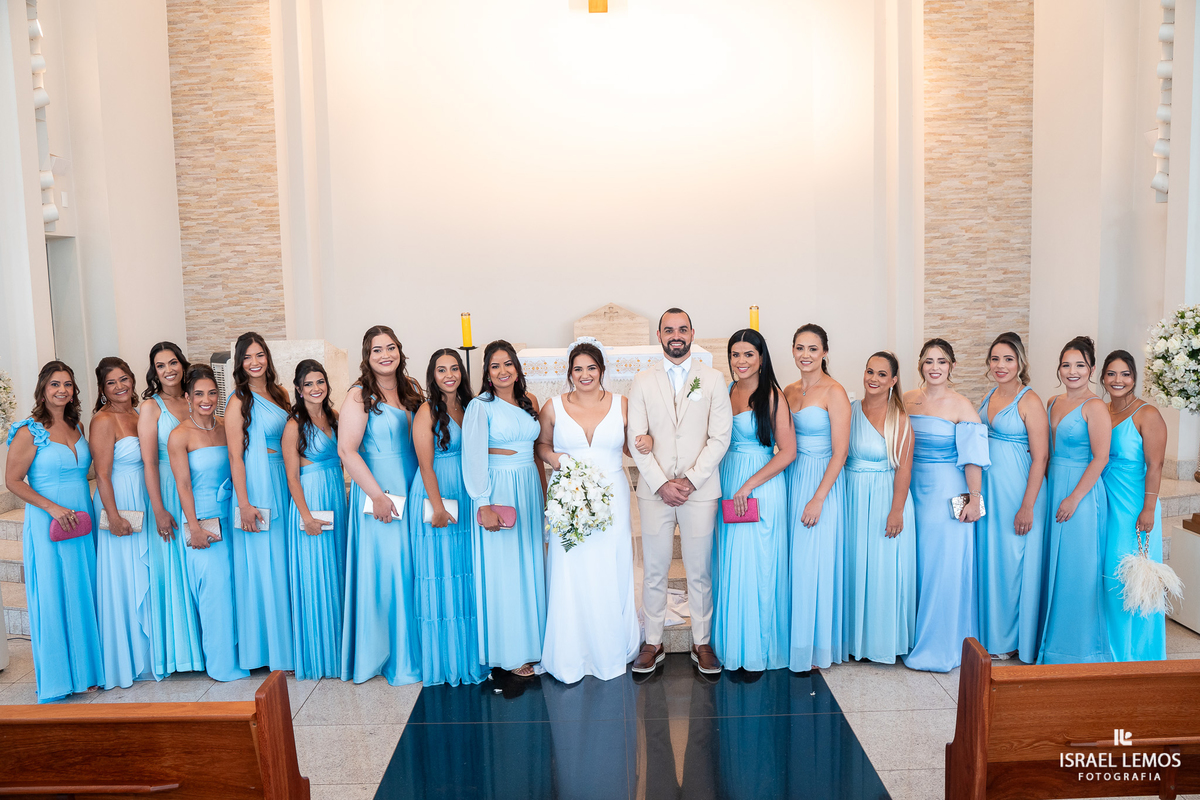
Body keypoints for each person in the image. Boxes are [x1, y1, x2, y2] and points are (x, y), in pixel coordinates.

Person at [627, 308, 733, 676]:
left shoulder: (714, 379)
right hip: (655, 492)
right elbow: (635, 436)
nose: (676, 335)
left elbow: (720, 437)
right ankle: (652, 641)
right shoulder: (642, 380)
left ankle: (701, 642)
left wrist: (689, 480)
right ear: (659, 335)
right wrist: (660, 483)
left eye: (682, 329)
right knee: (654, 570)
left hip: (699, 491)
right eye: (669, 329)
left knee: (699, 570)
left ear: (692, 333)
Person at [536, 340, 641, 683]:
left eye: (591, 368)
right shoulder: (553, 406)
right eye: (577, 369)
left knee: (611, 564)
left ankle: (610, 646)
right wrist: (559, 462)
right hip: (569, 493)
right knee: (572, 567)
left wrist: (648, 442)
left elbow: (631, 445)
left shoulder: (622, 404)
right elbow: (542, 446)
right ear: (569, 373)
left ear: (602, 371)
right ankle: (571, 650)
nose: (584, 375)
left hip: (612, 492)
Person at [4, 361, 104, 702]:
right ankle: (62, 676)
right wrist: (51, 508)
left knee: (83, 588)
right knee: (54, 592)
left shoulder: (76, 425)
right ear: (43, 389)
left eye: (68, 384)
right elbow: (12, 481)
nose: (62, 390)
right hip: (49, 520)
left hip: (82, 516)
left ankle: (89, 670)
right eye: (55, 384)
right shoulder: (28, 430)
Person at [339, 325, 424, 685]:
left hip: (413, 485)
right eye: (377, 350)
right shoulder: (359, 396)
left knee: (411, 567)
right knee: (388, 571)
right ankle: (389, 654)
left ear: (400, 351)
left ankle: (415, 648)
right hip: (379, 491)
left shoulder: (412, 390)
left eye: (391, 347)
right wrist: (376, 495)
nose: (385, 354)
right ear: (367, 356)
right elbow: (347, 450)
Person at [902, 338, 989, 673]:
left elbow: (973, 461)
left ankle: (941, 645)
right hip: (911, 491)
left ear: (951, 366)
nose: (934, 367)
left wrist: (974, 500)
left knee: (943, 567)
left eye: (941, 361)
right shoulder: (908, 399)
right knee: (917, 566)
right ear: (920, 365)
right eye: (928, 361)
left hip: (947, 493)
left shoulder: (962, 406)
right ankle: (909, 636)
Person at [711, 329, 795, 672]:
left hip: (760, 485)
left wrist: (748, 485)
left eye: (748, 354)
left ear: (761, 358)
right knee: (731, 564)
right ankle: (733, 646)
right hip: (727, 480)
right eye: (735, 354)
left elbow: (788, 451)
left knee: (758, 567)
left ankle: (759, 649)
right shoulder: (725, 391)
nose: (741, 361)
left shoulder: (772, 395)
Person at [463, 340, 547, 678]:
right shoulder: (480, 406)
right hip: (499, 487)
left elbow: (537, 451)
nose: (502, 371)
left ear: (517, 368)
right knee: (506, 572)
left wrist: (544, 496)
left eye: (508, 364)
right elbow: (473, 457)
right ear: (486, 371)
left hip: (527, 485)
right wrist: (483, 504)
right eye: (495, 365)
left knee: (531, 566)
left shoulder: (531, 402)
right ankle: (510, 652)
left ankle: (537, 643)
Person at [409, 349, 487, 687]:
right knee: (441, 573)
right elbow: (425, 464)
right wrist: (437, 506)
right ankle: (445, 659)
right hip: (437, 492)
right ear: (433, 375)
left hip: (467, 495)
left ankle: (472, 652)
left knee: (467, 573)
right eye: (442, 370)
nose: (449, 375)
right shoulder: (427, 410)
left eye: (454, 368)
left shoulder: (471, 406)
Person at [168, 365, 250, 682]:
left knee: (236, 587)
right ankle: (221, 663)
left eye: (212, 393)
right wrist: (195, 527)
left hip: (232, 516)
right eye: (199, 394)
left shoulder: (224, 426)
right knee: (213, 590)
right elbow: (183, 485)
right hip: (202, 519)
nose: (206, 399)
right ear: (187, 397)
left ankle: (245, 653)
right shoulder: (179, 435)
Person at [1039, 336, 1111, 664]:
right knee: (1053, 565)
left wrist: (1073, 498)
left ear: (1092, 369)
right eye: (1066, 365)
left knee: (1076, 569)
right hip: (1054, 485)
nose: (1072, 371)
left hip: (1081, 493)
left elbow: (1100, 458)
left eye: (1080, 365)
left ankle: (1078, 649)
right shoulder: (1053, 402)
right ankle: (1049, 644)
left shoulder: (1095, 406)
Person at [224, 332, 294, 671]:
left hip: (283, 478)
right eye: (248, 357)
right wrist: (244, 504)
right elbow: (235, 457)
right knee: (263, 567)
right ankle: (267, 652)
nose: (255, 362)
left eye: (260, 355)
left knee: (282, 565)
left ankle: (289, 646)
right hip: (256, 486)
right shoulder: (239, 400)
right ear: (239, 363)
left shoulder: (279, 394)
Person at [783, 324, 850, 672]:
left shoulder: (834, 391)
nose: (805, 355)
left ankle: (815, 646)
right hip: (792, 477)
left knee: (814, 563)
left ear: (824, 352)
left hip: (822, 480)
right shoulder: (788, 390)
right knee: (795, 563)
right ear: (792, 351)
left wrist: (819, 498)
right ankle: (794, 641)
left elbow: (841, 452)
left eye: (812, 348)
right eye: (800, 348)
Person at [976, 332, 1048, 663]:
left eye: (1008, 359)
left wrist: (1028, 506)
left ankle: (1013, 639)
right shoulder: (988, 394)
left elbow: (1041, 457)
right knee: (991, 561)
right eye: (995, 359)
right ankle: (988, 634)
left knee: (1013, 563)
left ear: (1020, 362)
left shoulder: (1030, 400)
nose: (1001, 365)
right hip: (989, 490)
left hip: (1019, 492)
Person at [842, 352, 917, 664]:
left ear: (894, 381)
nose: (873, 378)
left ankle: (881, 641)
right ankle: (851, 640)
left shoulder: (899, 418)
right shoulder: (848, 410)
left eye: (882, 374)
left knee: (884, 570)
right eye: (870, 371)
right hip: (852, 496)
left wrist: (896, 510)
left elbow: (904, 468)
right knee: (855, 566)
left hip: (886, 496)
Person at [137, 341, 204, 676]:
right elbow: (148, 462)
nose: (168, 370)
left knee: (199, 568)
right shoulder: (151, 406)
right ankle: (181, 654)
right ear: (154, 371)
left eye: (173, 362)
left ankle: (208, 647)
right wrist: (159, 509)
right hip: (165, 489)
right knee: (173, 570)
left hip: (199, 488)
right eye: (160, 365)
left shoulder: (196, 397)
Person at [90, 356, 156, 688]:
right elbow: (101, 473)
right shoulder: (103, 421)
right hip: (120, 499)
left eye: (124, 379)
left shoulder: (140, 412)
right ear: (102, 390)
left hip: (145, 496)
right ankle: (128, 658)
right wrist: (113, 517)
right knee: (125, 578)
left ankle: (151, 653)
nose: (120, 387)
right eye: (111, 383)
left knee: (145, 574)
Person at [1100, 350, 1168, 662]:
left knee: (1132, 580)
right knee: (1108, 576)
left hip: (1134, 507)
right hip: (1105, 504)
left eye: (1125, 374)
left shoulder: (1147, 414)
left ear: (1134, 377)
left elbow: (1155, 465)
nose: (1118, 380)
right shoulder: (1101, 411)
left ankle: (1137, 656)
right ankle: (1107, 651)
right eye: (1111, 374)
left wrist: (1149, 509)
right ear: (1102, 377)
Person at [282, 359, 345, 680]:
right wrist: (305, 516)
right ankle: (321, 657)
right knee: (316, 576)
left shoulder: (334, 418)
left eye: (320, 382)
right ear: (298, 388)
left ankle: (341, 651)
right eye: (308, 384)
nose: (315, 388)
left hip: (336, 497)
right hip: (311, 502)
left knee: (337, 573)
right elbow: (292, 477)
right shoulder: (294, 425)